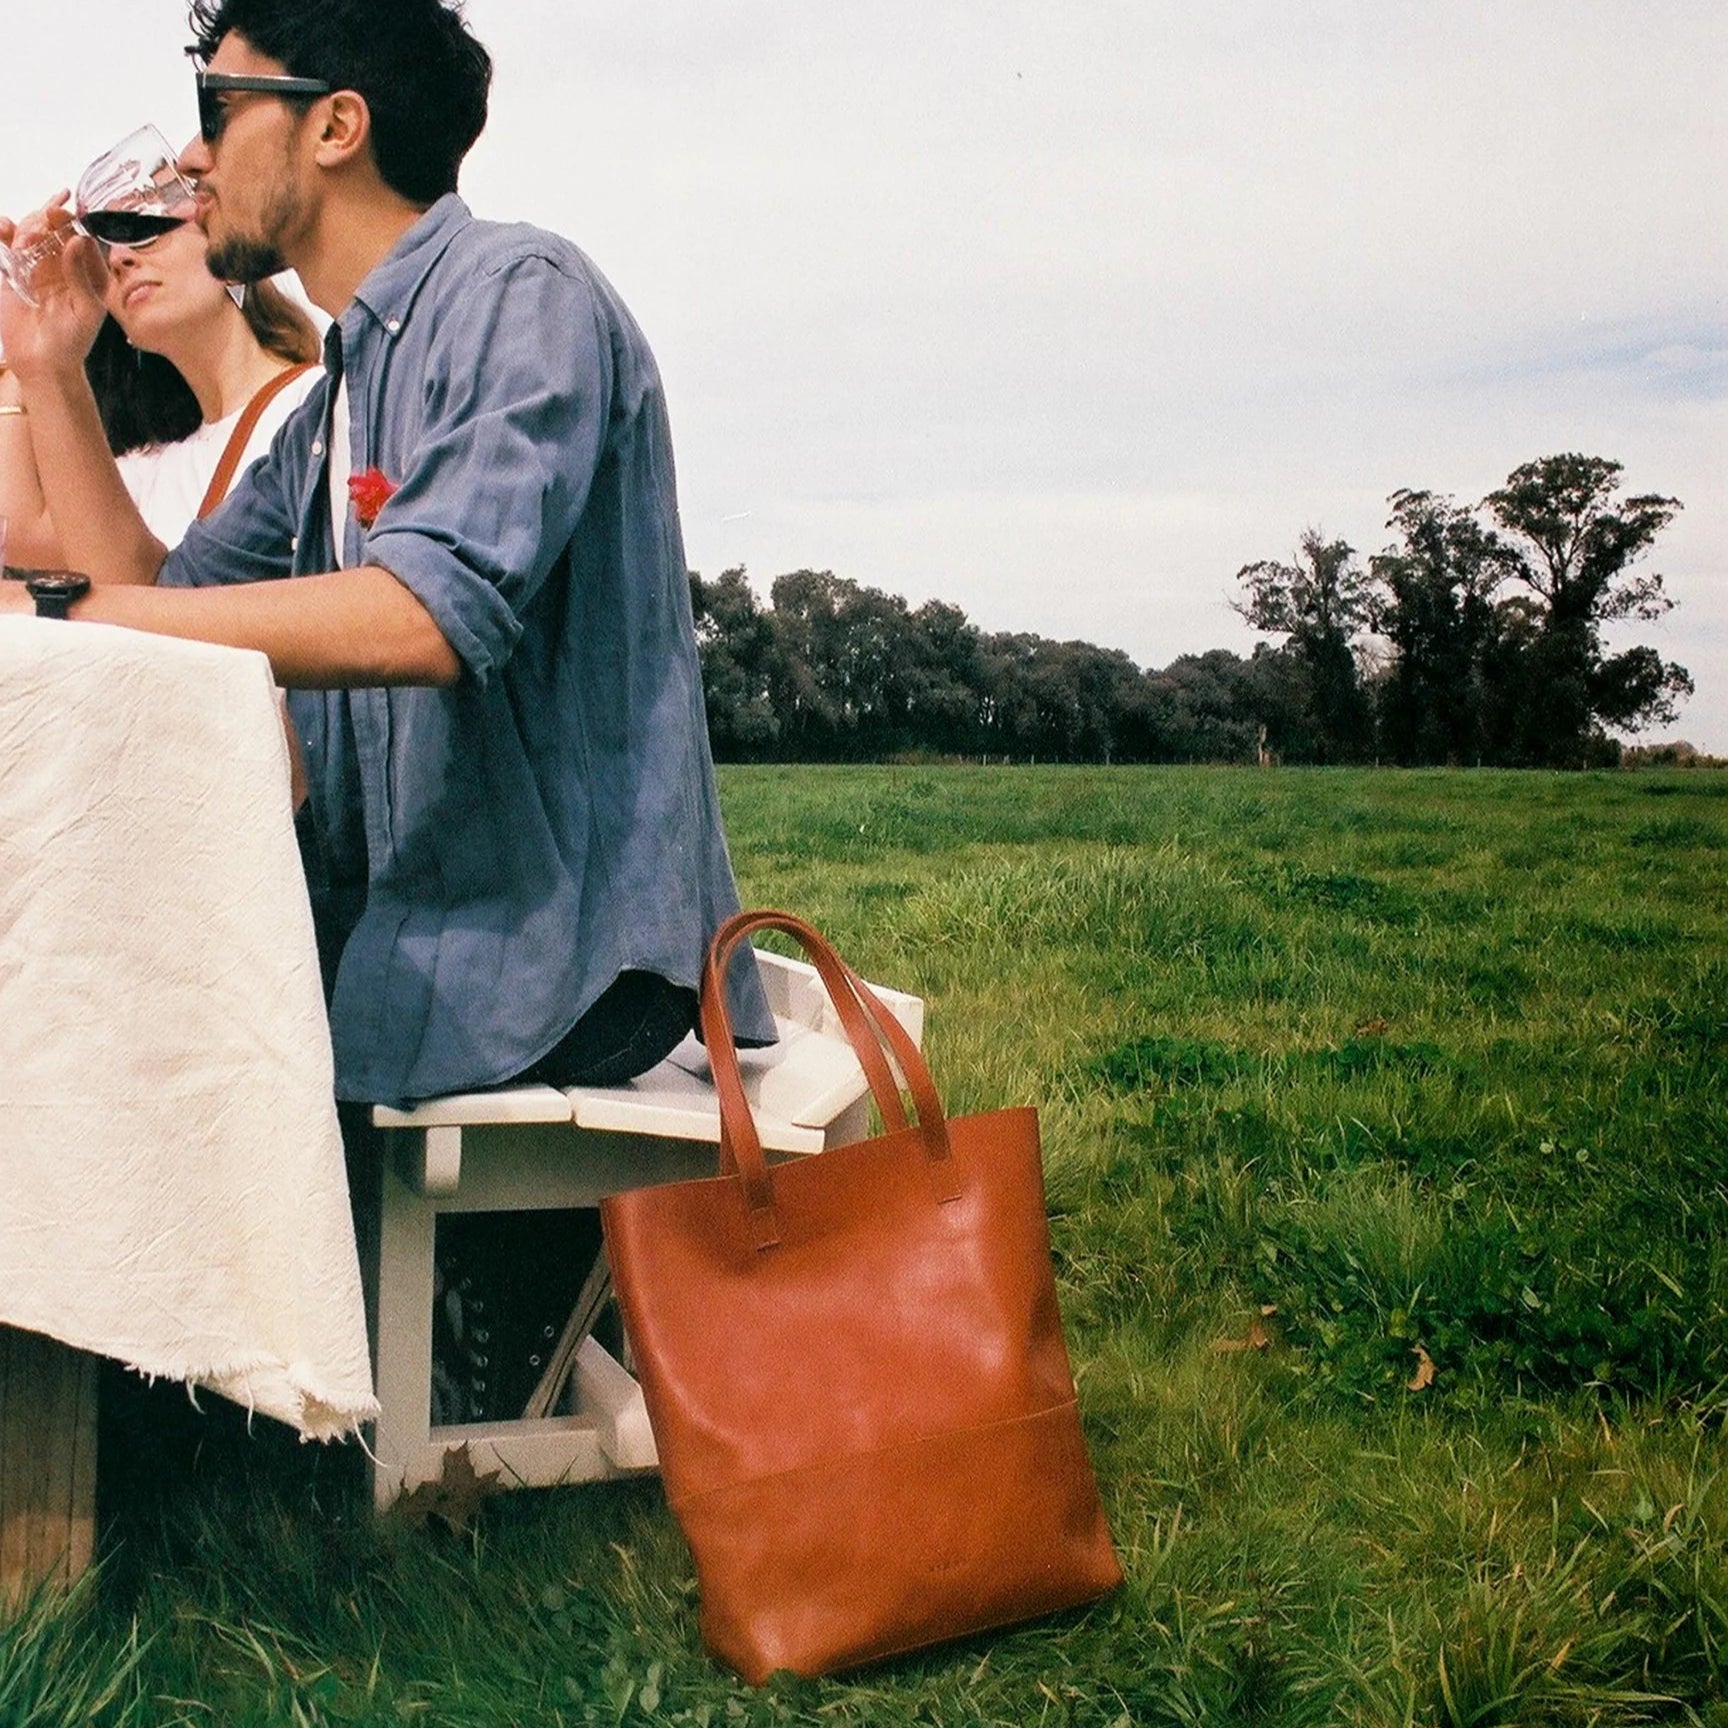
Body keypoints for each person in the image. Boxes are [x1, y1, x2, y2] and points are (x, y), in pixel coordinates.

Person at [0, 0, 771, 1423]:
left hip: (564, 952)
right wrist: (49, 366)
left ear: (336, 126)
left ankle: (468, 1341)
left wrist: (85, 618)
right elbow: (159, 591)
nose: (189, 159)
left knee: (129, 1012)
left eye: (220, 109)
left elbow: (430, 615)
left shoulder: (518, 293)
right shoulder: (344, 384)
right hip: (427, 925)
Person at [0, 211, 320, 572]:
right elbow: (19, 536)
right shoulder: (151, 466)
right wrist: (29, 360)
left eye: (144, 231)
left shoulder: (317, 401)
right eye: (102, 254)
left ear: (227, 256)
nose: (119, 258)